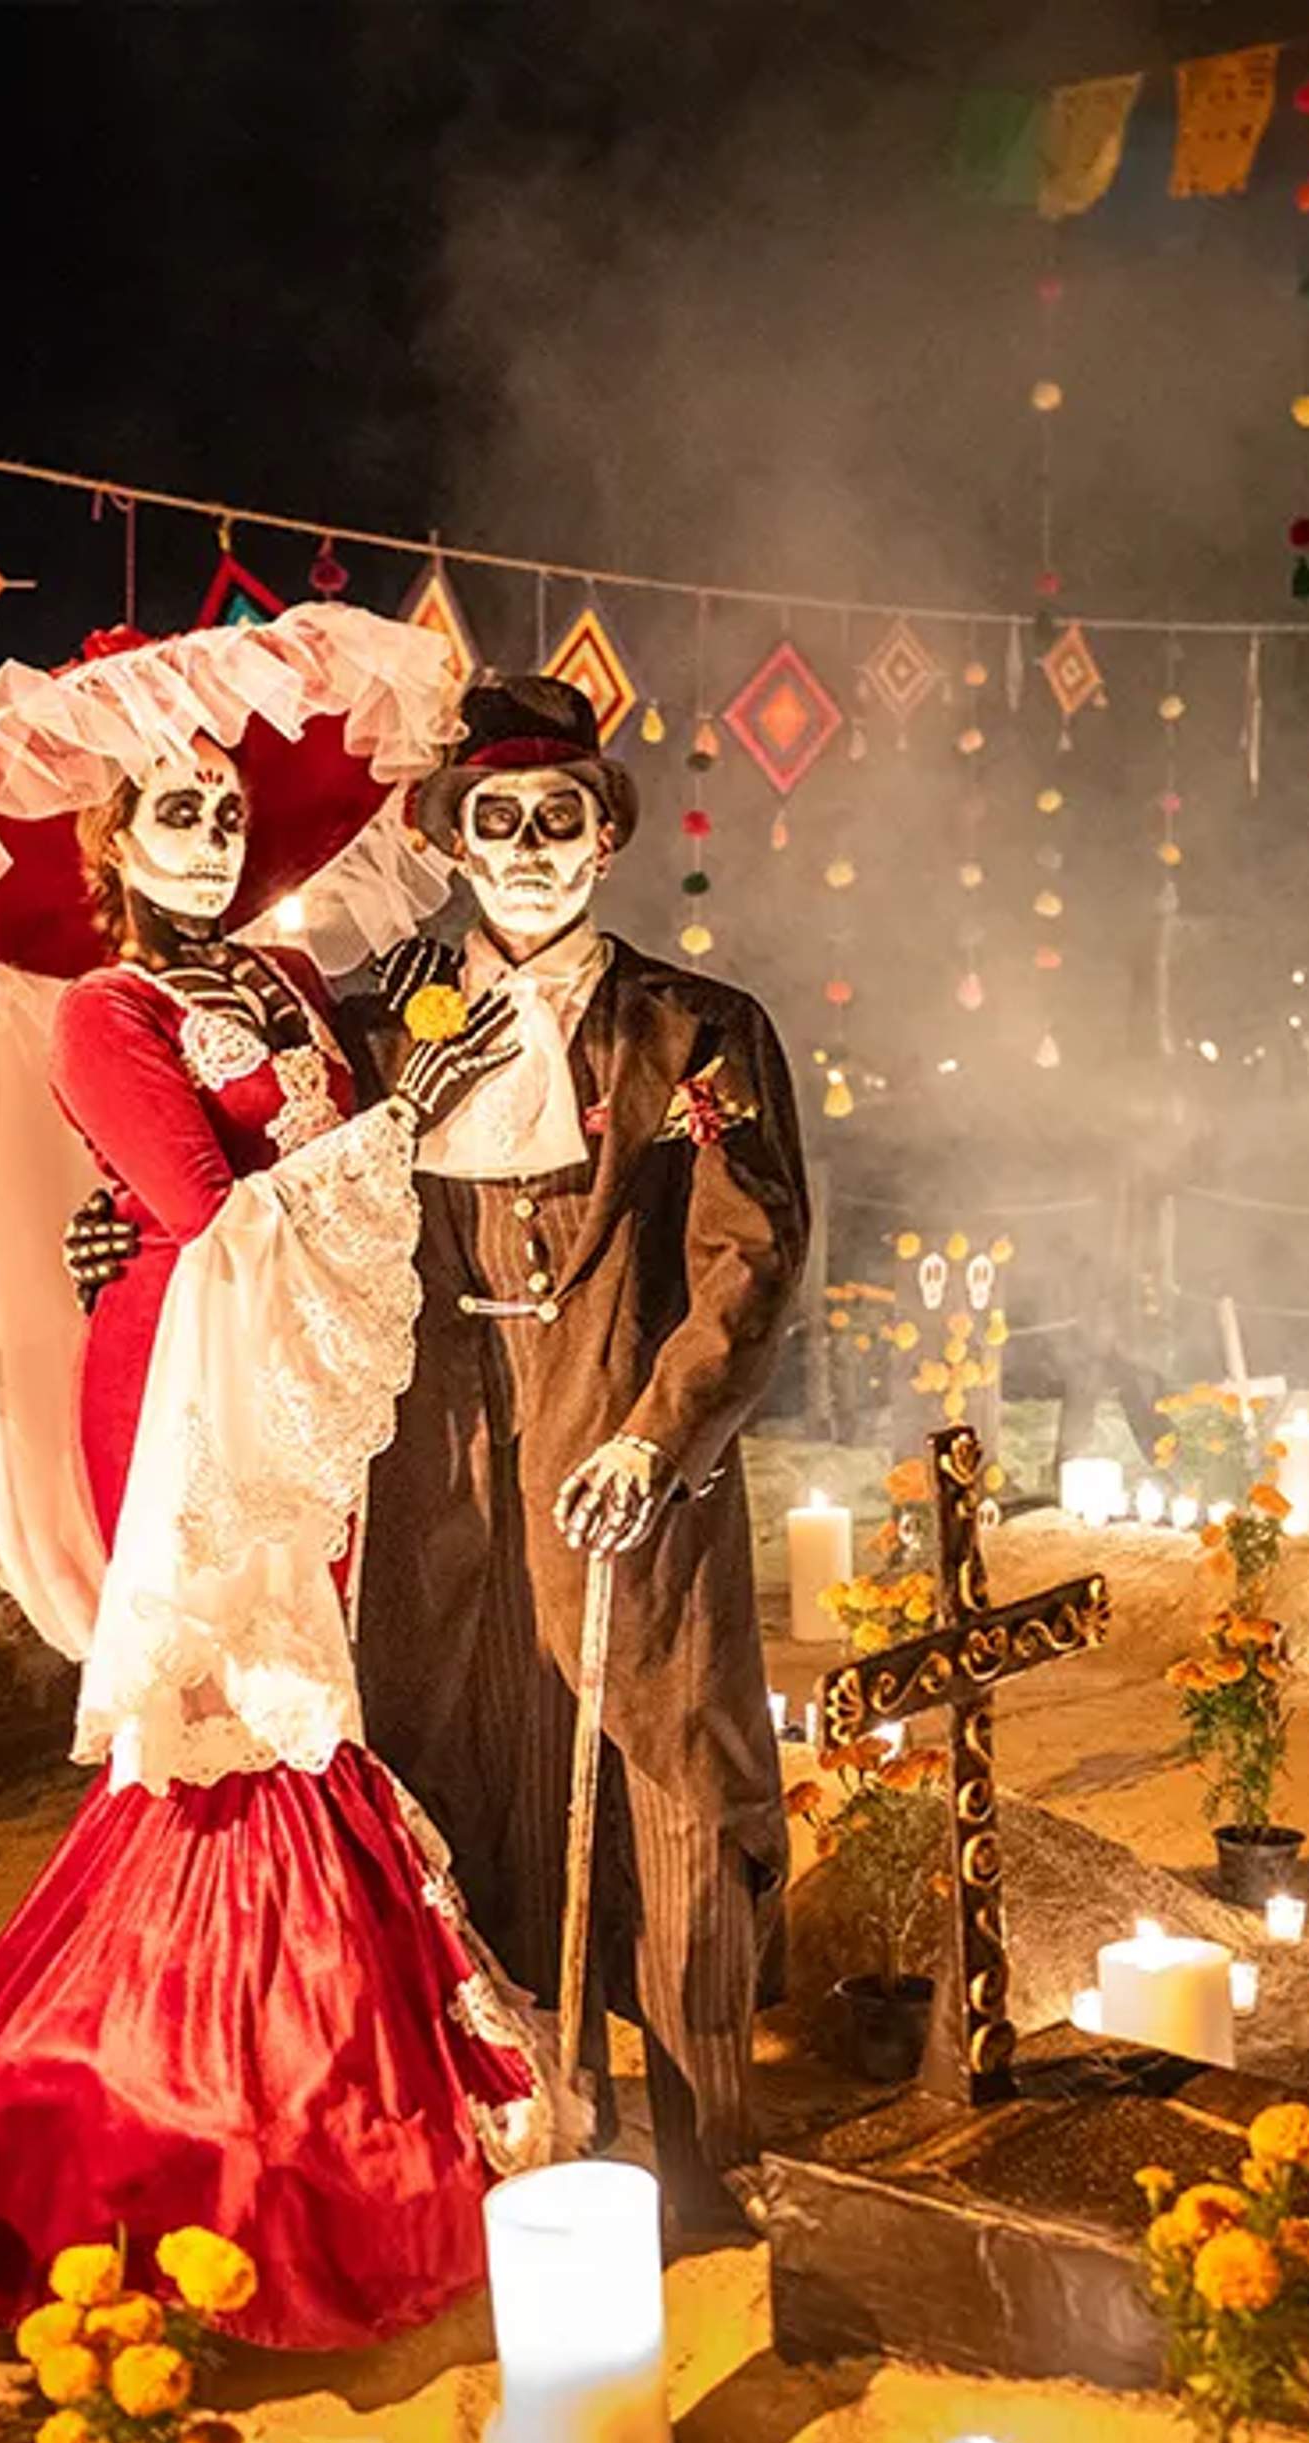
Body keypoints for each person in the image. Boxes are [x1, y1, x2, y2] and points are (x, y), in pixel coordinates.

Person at [0, 610, 543, 2350]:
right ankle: (185, 2105)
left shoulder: (282, 984)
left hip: (305, 1363)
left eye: (223, 810)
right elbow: (208, 1216)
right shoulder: (104, 1014)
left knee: (318, 1701)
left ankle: (318, 2081)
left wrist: (401, 1094)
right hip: (186, 1376)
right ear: (112, 844)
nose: (209, 838)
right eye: (173, 813)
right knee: (235, 1710)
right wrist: (401, 1118)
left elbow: (309, 1173)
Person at [350, 672, 808, 2239]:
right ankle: (509, 2123)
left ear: (604, 838)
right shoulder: (379, 1016)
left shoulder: (700, 1027)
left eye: (562, 820)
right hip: (431, 1435)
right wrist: (121, 1247)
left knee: (668, 1761)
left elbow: (750, 1257)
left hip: (613, 1408)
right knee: (450, 1746)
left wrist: (655, 1430)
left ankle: (703, 2164)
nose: (532, 848)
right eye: (500, 821)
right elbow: (280, 1194)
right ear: (454, 840)